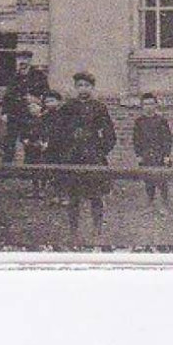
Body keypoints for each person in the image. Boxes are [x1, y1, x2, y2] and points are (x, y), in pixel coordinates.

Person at [58, 71, 116, 239]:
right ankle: (73, 229)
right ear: (75, 88)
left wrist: (100, 150)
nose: (83, 89)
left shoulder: (99, 107)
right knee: (73, 196)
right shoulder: (68, 107)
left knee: (95, 195)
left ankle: (97, 228)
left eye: (87, 86)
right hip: (73, 156)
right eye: (80, 86)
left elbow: (109, 134)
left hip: (92, 156)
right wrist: (66, 147)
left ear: (92, 87)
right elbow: (59, 130)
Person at [0, 50, 50, 163]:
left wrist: (38, 102)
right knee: (9, 141)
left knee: (30, 141)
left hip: (30, 114)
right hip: (14, 113)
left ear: (30, 61)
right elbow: (7, 97)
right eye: (20, 59)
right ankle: (5, 168)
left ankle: (30, 167)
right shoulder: (14, 77)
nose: (22, 62)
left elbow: (47, 95)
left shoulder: (39, 76)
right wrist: (4, 112)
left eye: (25, 59)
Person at [132, 92, 173, 208]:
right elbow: (136, 139)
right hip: (146, 154)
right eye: (146, 104)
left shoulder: (161, 121)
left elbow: (167, 139)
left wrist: (167, 155)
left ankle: (164, 204)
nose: (148, 106)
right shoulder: (139, 122)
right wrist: (138, 155)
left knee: (162, 180)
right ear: (142, 106)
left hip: (159, 154)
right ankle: (150, 203)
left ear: (156, 105)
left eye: (151, 104)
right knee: (148, 180)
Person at [39, 90, 67, 206]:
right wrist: (42, 141)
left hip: (61, 147)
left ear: (59, 102)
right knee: (52, 172)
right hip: (48, 149)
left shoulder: (63, 116)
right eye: (47, 102)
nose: (49, 104)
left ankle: (64, 196)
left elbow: (62, 132)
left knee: (63, 172)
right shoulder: (45, 116)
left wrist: (52, 142)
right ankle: (55, 195)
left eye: (52, 101)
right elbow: (42, 130)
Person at [19, 93, 49, 200]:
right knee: (32, 168)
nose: (32, 109)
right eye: (30, 107)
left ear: (40, 108)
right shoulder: (26, 121)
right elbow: (22, 134)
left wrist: (45, 143)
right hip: (31, 148)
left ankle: (43, 189)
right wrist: (25, 140)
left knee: (43, 167)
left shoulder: (44, 121)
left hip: (41, 148)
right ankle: (35, 188)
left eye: (35, 106)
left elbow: (47, 133)